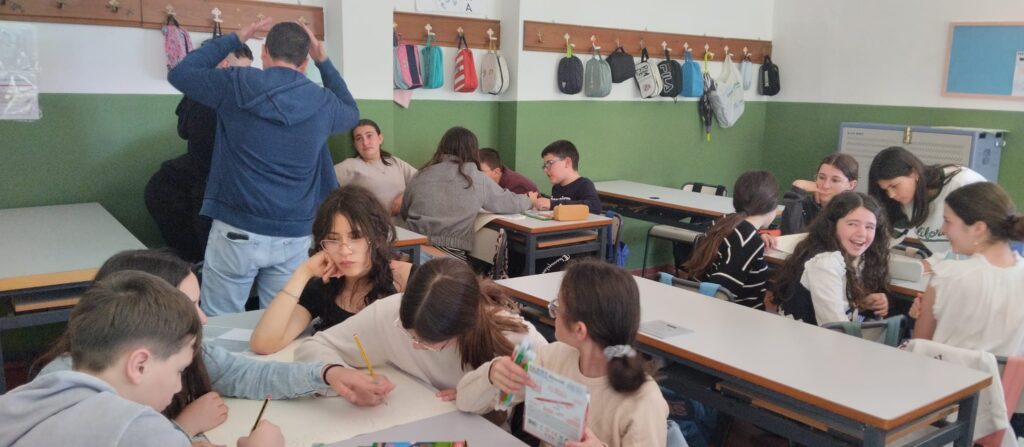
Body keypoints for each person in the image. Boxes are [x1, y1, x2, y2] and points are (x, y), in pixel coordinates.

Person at [34, 250, 389, 439]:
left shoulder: (112, 366)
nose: (203, 320)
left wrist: (327, 374)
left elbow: (247, 374)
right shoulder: (80, 409)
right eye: (189, 307)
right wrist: (183, 430)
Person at [168, 20, 359, 316]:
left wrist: (235, 37)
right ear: (305, 62)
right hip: (294, 234)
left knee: (221, 324)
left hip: (236, 229)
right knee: (279, 322)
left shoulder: (235, 83)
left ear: (264, 52)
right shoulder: (324, 102)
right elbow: (352, 112)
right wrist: (324, 61)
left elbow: (180, 73)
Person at [0, 271, 284, 447]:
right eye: (179, 370)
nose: (178, 385)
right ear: (139, 365)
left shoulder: (30, 396)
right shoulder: (137, 426)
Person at [457, 259, 669, 447]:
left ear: (579, 330)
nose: (553, 312)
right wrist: (491, 374)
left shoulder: (644, 401)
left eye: (557, 306)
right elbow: (465, 402)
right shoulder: (551, 358)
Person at [295, 258, 548, 401]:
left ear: (464, 326)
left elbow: (554, 397)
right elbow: (314, 346)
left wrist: (481, 390)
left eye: (430, 343)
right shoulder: (390, 314)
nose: (416, 346)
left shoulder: (516, 338)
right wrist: (334, 372)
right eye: (411, 334)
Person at [250, 186, 412, 354]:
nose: (344, 250)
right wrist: (303, 272)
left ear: (377, 238)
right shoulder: (324, 286)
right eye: (333, 239)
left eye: (356, 237)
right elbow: (263, 344)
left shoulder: (408, 278)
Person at [145, 43, 254, 263]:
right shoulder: (214, 104)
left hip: (182, 188)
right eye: (243, 71)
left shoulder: (197, 96)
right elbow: (210, 164)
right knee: (203, 259)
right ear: (225, 66)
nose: (247, 78)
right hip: (190, 193)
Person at [910, 182, 1024, 357]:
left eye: (948, 221)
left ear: (978, 228)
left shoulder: (946, 275)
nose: (942, 230)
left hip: (943, 373)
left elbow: (920, 348)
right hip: (1005, 375)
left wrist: (922, 312)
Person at [401, 127, 532, 259]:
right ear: (473, 151)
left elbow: (405, 211)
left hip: (410, 248)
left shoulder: (421, 174)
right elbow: (509, 203)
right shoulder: (476, 177)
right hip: (448, 254)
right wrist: (530, 200)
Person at [773, 192, 891, 326]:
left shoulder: (850, 257)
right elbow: (836, 327)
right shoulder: (826, 263)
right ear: (833, 225)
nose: (862, 234)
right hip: (804, 337)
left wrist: (860, 303)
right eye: (852, 224)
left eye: (870, 227)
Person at [681, 171, 778, 309]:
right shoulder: (749, 242)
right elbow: (720, 294)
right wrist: (754, 238)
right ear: (771, 206)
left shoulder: (724, 221)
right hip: (737, 315)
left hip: (698, 302)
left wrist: (758, 234)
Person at [868, 146, 985, 255]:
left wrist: (939, 263)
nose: (891, 195)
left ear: (914, 173)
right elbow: (885, 240)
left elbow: (987, 235)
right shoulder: (902, 200)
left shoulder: (961, 183)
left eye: (894, 186)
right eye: (885, 189)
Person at [335, 119, 418, 216]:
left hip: (405, 223)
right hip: (372, 224)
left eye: (369, 136)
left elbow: (422, 181)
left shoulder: (394, 162)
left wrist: (404, 196)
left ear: (380, 138)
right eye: (359, 138)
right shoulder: (350, 165)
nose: (365, 143)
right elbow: (324, 181)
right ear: (355, 145)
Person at [780, 153, 859, 235]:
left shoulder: (856, 212)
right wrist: (797, 189)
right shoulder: (801, 203)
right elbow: (789, 237)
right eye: (821, 177)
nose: (825, 186)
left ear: (851, 185)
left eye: (835, 180)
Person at [528, 140, 602, 214]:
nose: (545, 170)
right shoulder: (556, 187)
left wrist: (553, 204)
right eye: (545, 166)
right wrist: (540, 202)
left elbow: (595, 207)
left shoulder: (584, 184)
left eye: (549, 163)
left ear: (567, 163)